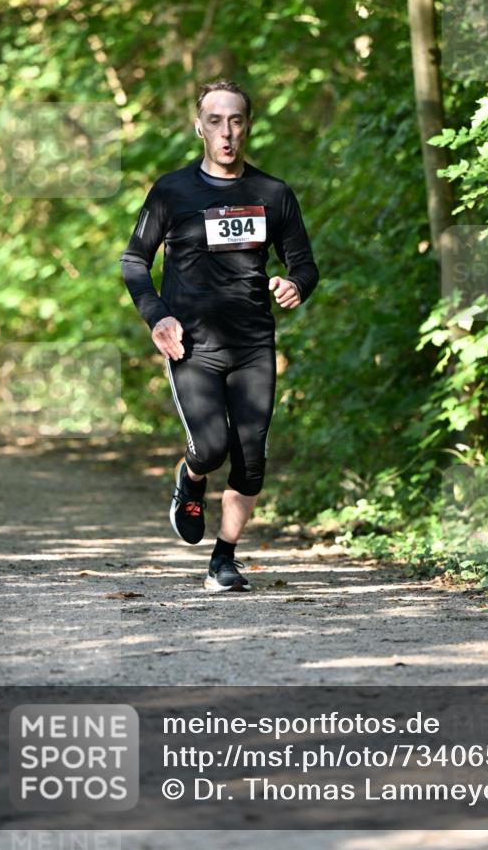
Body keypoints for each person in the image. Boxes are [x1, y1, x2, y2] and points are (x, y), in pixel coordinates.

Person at [119, 80, 319, 593]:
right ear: (199, 127)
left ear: (247, 126)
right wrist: (157, 317)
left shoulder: (273, 194)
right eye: (214, 121)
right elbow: (134, 261)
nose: (225, 132)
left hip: (253, 344)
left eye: (235, 121)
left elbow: (304, 264)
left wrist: (294, 284)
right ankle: (190, 479)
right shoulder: (172, 191)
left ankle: (223, 560)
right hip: (191, 344)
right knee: (210, 446)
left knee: (251, 454)